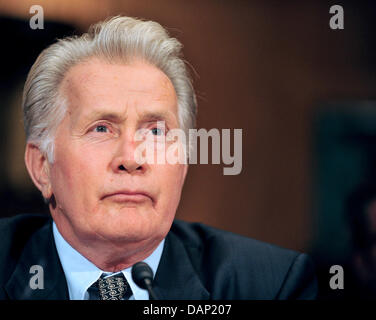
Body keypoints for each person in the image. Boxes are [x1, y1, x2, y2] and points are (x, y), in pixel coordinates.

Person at [0, 16, 317, 300]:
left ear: (182, 167)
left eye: (155, 132)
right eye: (101, 128)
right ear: (42, 167)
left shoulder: (271, 284)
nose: (131, 158)